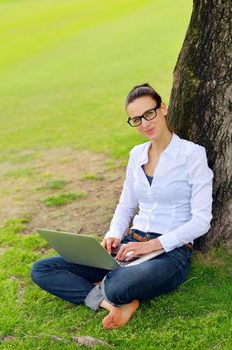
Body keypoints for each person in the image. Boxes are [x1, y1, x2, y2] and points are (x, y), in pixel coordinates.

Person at [30, 83, 214, 330]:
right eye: (136, 119)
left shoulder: (192, 155)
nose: (144, 123)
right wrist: (113, 235)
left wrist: (151, 245)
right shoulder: (136, 154)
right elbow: (126, 205)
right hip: (128, 246)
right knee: (42, 268)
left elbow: (202, 220)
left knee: (118, 284)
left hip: (170, 252)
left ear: (163, 108)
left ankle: (108, 286)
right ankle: (110, 304)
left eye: (149, 113)